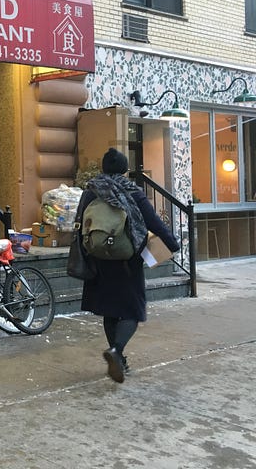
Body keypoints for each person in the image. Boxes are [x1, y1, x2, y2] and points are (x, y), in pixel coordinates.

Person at [76, 148, 180, 383]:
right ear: (125, 169)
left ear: (103, 167)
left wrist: (84, 252)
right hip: (127, 260)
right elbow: (154, 221)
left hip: (98, 257)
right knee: (133, 310)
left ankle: (119, 360)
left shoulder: (91, 191)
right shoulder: (132, 191)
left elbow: (80, 222)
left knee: (110, 309)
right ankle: (117, 351)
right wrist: (172, 244)